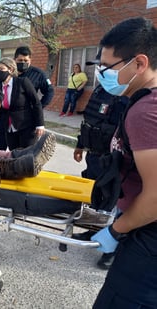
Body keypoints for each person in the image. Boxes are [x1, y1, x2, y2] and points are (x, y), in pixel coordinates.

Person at [89, 17, 157, 308]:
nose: (102, 74)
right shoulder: (144, 101)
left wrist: (117, 230)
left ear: (139, 63)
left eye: (108, 67)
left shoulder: (146, 111)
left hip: (148, 240)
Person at [72, 51, 129, 270]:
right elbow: (90, 120)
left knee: (113, 201)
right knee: (95, 195)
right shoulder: (100, 89)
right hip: (94, 154)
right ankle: (93, 230)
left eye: (105, 66)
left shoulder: (128, 94)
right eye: (99, 66)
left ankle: (112, 249)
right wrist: (79, 145)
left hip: (114, 160)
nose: (100, 71)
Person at [0, 57, 45, 151]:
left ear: (11, 69)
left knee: (26, 155)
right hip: (9, 128)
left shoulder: (22, 82)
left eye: (2, 69)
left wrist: (40, 124)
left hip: (26, 126)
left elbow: (36, 103)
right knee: (14, 154)